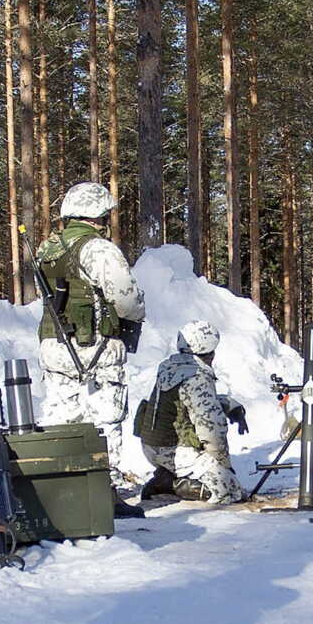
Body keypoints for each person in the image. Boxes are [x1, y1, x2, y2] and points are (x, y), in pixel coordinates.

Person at [31, 182, 145, 485]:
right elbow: (126, 299)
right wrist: (133, 317)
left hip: (55, 344)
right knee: (105, 416)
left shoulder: (49, 247)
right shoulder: (98, 249)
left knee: (62, 416)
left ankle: (62, 486)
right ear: (96, 214)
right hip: (94, 345)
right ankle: (104, 489)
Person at [135, 319, 247, 504]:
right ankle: (171, 483)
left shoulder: (171, 367)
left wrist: (230, 405)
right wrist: (223, 465)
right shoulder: (197, 376)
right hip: (174, 449)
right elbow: (212, 430)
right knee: (230, 490)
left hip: (151, 448)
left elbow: (188, 404)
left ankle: (167, 474)